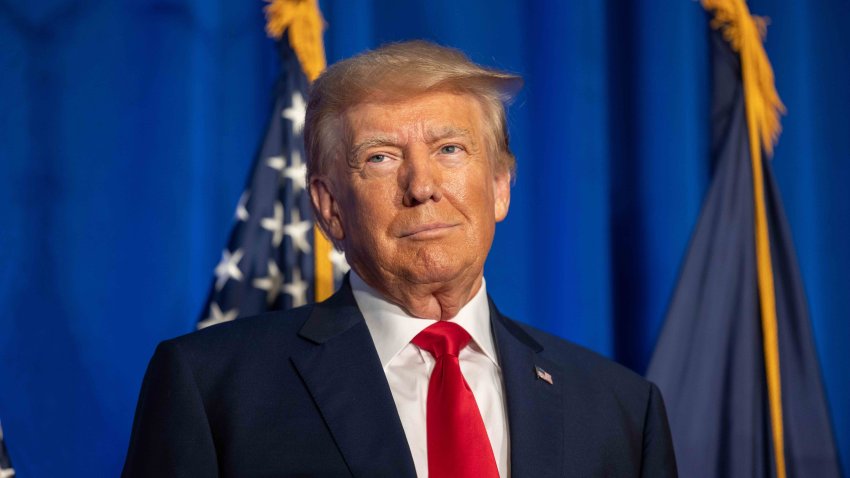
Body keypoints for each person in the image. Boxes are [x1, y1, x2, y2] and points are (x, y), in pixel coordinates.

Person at [122, 41, 677, 477]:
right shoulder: (212, 388)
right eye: (382, 158)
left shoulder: (620, 409)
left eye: (450, 149)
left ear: (501, 186)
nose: (422, 187)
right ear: (330, 207)